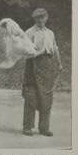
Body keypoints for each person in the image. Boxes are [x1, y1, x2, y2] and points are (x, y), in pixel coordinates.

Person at [22, 8, 63, 136]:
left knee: (46, 97)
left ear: (46, 18)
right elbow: (25, 52)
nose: (40, 20)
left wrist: (59, 63)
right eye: (37, 18)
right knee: (31, 96)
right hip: (33, 65)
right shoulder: (29, 32)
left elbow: (55, 48)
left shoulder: (50, 33)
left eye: (42, 17)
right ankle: (27, 127)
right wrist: (39, 53)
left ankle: (44, 128)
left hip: (48, 66)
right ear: (34, 19)